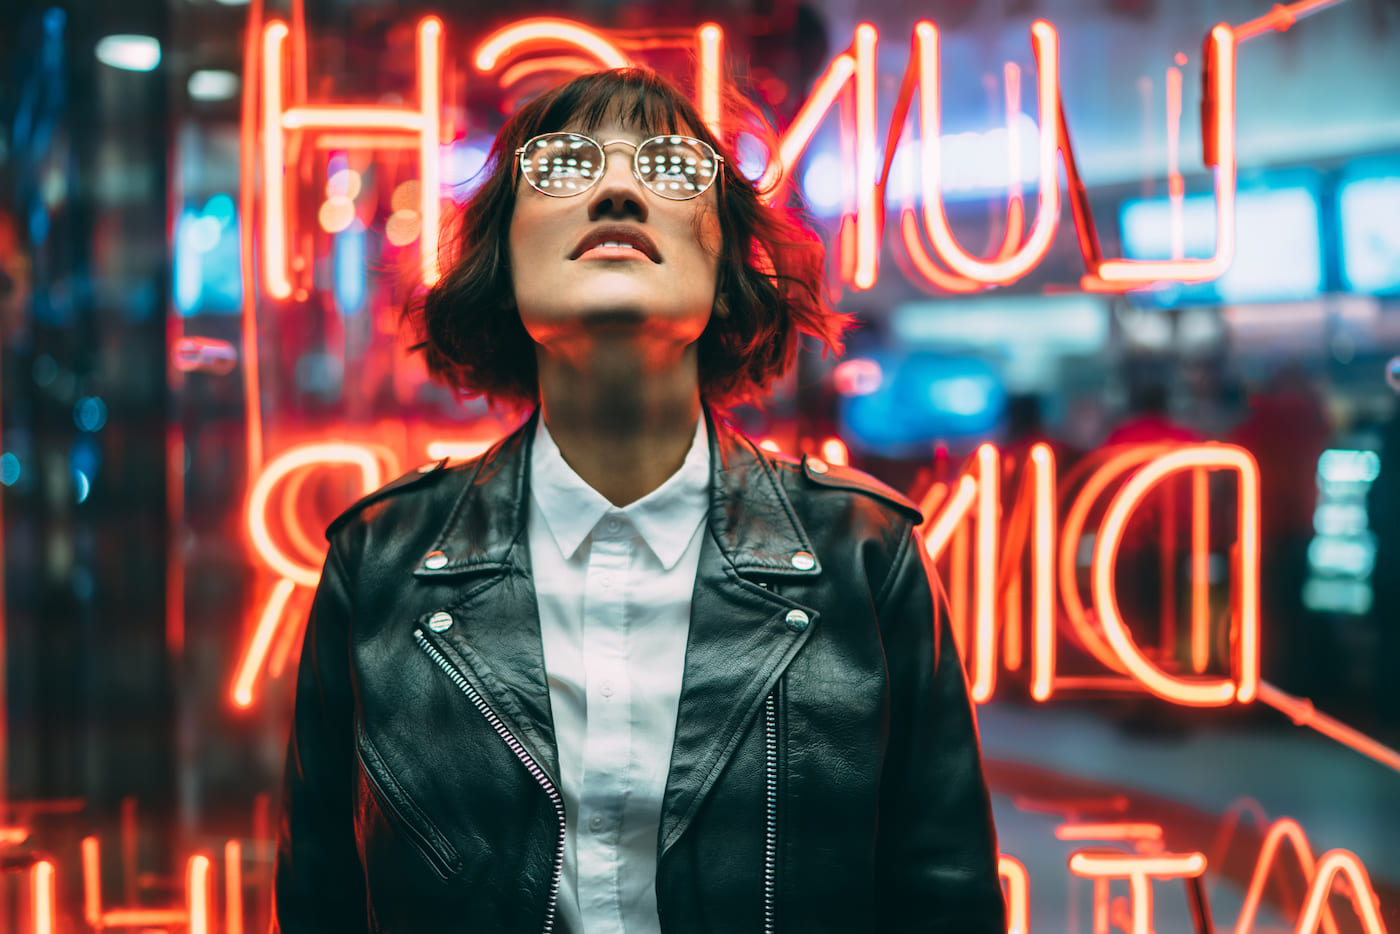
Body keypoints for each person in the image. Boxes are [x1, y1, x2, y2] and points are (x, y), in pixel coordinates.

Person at [271, 67, 1004, 934]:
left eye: (670, 168)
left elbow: (944, 893)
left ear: (728, 268)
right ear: (499, 260)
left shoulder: (862, 552)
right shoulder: (382, 559)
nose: (618, 186)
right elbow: (320, 891)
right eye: (562, 166)